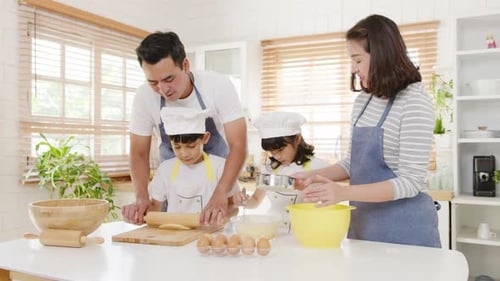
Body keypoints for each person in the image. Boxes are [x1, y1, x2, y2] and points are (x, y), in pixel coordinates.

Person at [294, 14, 441, 248]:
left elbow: (411, 182)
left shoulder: (414, 101)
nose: (353, 68)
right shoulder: (364, 101)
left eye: (358, 60)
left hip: (406, 230)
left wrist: (342, 193)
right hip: (365, 226)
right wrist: (312, 177)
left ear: (382, 56)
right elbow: (353, 163)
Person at [122, 31, 247, 225]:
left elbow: (238, 145)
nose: (163, 89)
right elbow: (138, 152)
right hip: (173, 186)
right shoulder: (144, 97)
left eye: (169, 79)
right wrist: (142, 197)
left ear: (186, 66)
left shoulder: (217, 85)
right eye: (153, 82)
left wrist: (221, 193)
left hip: (216, 181)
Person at [136, 108, 238, 222]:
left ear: (205, 138)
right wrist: (139, 213)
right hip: (175, 235)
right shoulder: (165, 168)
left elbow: (233, 207)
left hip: (210, 235)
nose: (184, 154)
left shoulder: (221, 166)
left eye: (191, 146)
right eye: (177, 147)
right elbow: (155, 207)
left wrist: (222, 216)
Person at [233, 112, 329, 232]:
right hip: (275, 231)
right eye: (271, 152)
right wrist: (244, 201)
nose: (276, 156)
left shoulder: (319, 166)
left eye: (280, 150)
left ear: (297, 139)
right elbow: (256, 200)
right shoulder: (269, 168)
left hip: (306, 231)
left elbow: (330, 203)